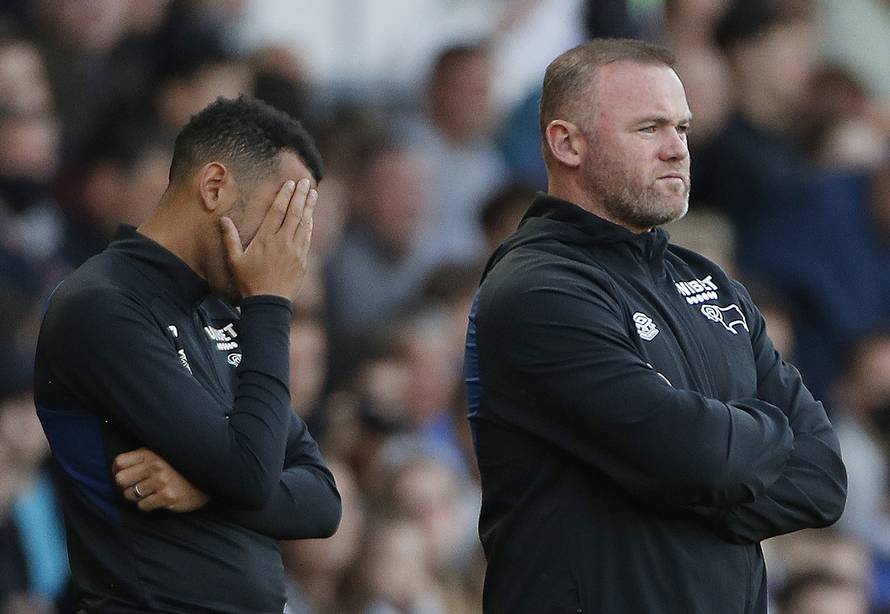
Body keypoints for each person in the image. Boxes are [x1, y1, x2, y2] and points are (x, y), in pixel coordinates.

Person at [464, 38, 847, 613]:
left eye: (682, 128)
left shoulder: (709, 281)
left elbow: (823, 479)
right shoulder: (538, 291)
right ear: (567, 143)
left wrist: (698, 474)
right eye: (649, 129)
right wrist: (747, 448)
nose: (676, 150)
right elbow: (700, 458)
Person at [34, 96, 342, 613]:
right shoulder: (102, 306)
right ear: (214, 186)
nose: (291, 249)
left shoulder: (220, 314)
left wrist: (204, 492)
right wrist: (270, 302)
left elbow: (322, 499)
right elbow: (251, 473)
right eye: (282, 215)